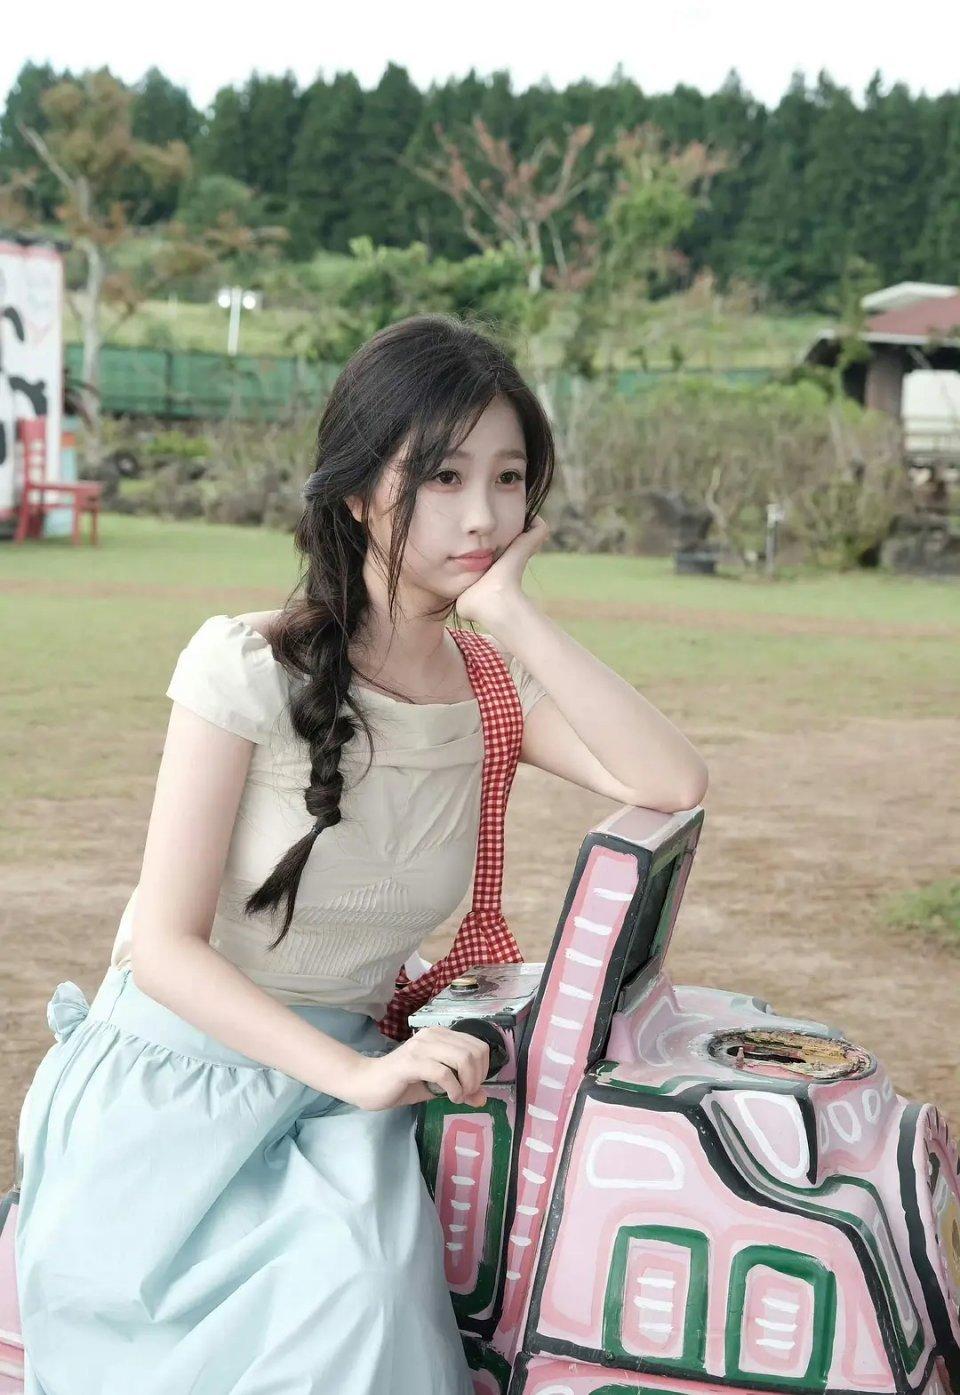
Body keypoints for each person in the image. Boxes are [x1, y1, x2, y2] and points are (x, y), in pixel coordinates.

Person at [15, 313, 709, 1394]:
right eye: (442, 476)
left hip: (347, 1099)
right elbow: (164, 948)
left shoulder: (490, 688)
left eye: (509, 478)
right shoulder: (244, 667)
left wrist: (511, 613)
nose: (482, 515)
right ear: (355, 491)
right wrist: (358, 1077)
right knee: (340, 1307)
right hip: (179, 1089)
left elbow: (670, 781)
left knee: (383, 1289)